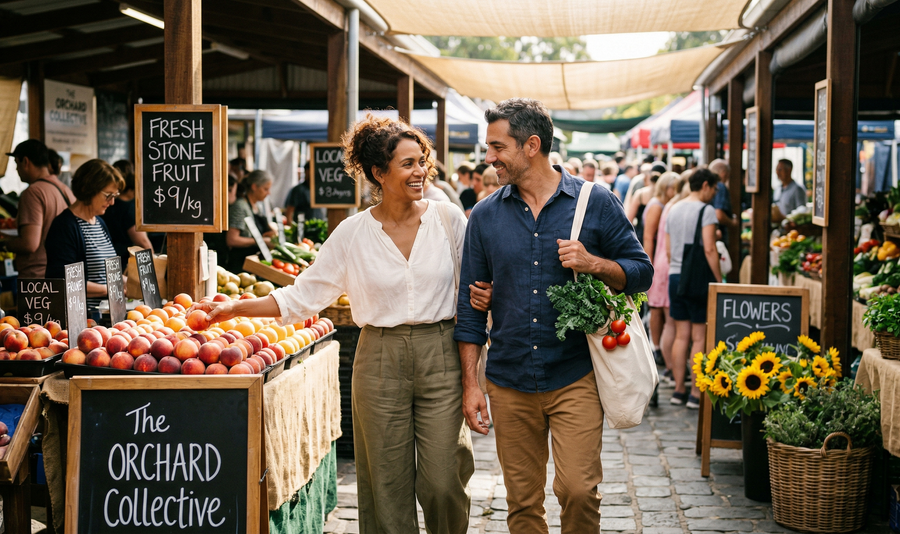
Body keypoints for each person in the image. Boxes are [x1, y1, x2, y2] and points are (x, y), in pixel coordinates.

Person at [192, 115, 492, 534]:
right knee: (385, 483)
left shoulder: (449, 220)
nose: (420, 171)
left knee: (444, 479)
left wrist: (473, 375)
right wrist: (234, 309)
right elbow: (302, 296)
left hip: (440, 352)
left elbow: (473, 295)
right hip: (379, 358)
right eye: (407, 164)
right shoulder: (352, 233)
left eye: (420, 161)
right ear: (378, 173)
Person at [455, 98, 652, 534]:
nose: (489, 159)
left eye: (497, 147)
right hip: (508, 380)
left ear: (531, 145)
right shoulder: (485, 216)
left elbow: (642, 273)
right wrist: (472, 385)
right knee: (522, 504)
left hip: (575, 376)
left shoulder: (596, 202)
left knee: (579, 491)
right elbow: (467, 313)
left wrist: (595, 263)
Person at [665, 168, 722, 409]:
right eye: (715, 188)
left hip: (675, 276)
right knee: (699, 337)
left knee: (681, 335)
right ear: (706, 185)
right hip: (697, 278)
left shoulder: (673, 207)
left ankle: (679, 389)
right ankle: (696, 394)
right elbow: (709, 248)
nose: (715, 194)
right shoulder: (706, 211)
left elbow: (668, 251)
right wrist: (719, 280)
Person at [45, 160, 123, 319]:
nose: (112, 202)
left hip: (107, 316)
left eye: (115, 196)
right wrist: (110, 289)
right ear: (88, 190)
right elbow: (62, 280)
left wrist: (127, 280)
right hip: (82, 320)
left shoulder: (99, 222)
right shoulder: (64, 226)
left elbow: (104, 271)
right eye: (108, 195)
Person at [1, 140, 76, 278]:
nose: (16, 170)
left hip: (38, 280)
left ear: (25, 161)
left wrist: (5, 244)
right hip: (65, 275)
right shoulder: (65, 190)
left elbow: (29, 244)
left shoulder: (33, 193)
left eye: (16, 163)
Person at [642, 172, 679, 369]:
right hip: (657, 259)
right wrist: (649, 264)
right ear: (666, 188)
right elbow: (648, 236)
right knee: (657, 308)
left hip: (659, 258)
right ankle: (657, 348)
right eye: (675, 187)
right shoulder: (657, 205)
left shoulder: (662, 205)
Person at [100, 160, 153, 265]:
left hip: (109, 262)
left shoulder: (106, 204)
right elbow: (143, 243)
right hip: (124, 264)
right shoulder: (128, 208)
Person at [226, 170, 275, 273]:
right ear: (254, 187)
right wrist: (261, 240)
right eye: (265, 189)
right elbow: (231, 239)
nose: (268, 193)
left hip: (254, 263)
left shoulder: (257, 206)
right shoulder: (240, 206)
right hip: (240, 266)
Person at [284, 161, 325, 225]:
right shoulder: (298, 190)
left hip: (319, 229)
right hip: (303, 230)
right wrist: (293, 229)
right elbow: (289, 212)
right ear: (307, 171)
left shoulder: (321, 189)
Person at [708, 159, 740, 238]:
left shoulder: (710, 186)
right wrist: (732, 222)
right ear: (724, 174)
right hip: (718, 233)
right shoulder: (720, 187)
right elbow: (719, 214)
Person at [772, 159, 807, 223]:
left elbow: (802, 212)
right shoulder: (777, 189)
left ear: (789, 170)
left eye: (780, 169)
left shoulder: (798, 189)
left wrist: (788, 220)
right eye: (776, 169)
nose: (777, 172)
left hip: (790, 230)